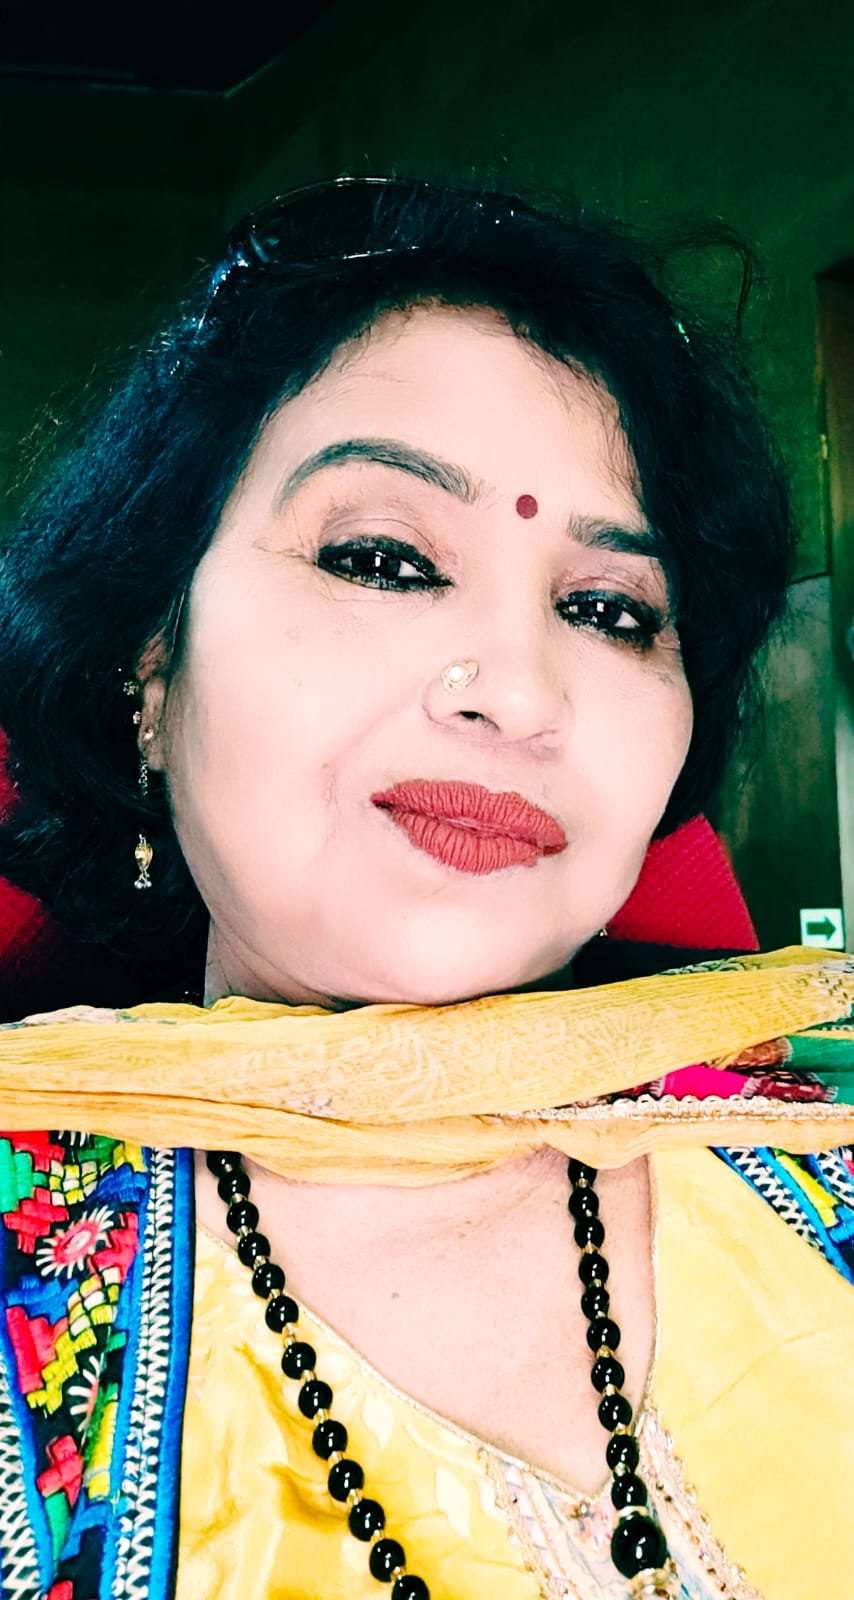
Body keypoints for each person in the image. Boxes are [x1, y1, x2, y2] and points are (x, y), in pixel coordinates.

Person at [0, 175, 851, 1600]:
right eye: (383, 559)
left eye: (608, 611)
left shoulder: (820, 1161)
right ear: (147, 663)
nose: (519, 690)